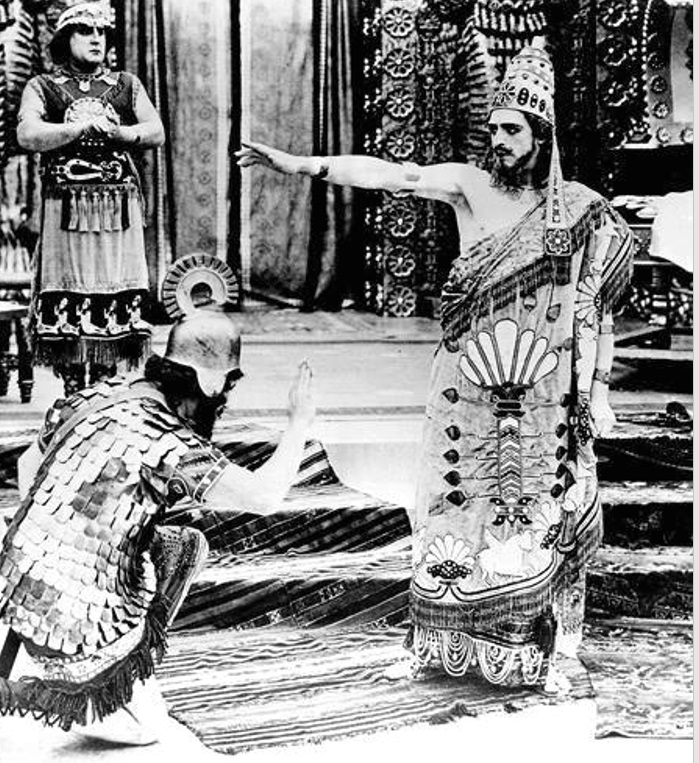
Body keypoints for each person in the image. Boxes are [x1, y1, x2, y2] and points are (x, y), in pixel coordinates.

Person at [236, 40, 633, 690]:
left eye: (512, 130)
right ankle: (446, 644)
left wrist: (599, 390)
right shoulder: (470, 186)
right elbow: (390, 175)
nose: (498, 141)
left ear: (542, 135)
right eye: (494, 128)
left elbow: (597, 306)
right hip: (465, 387)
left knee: (531, 516)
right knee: (455, 507)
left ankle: (533, 651)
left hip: (544, 397)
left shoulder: (581, 209)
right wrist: (298, 164)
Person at [0, 306, 315, 744]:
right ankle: (85, 689)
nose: (225, 401)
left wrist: (58, 536)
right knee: (147, 728)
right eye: (227, 387)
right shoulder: (174, 441)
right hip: (72, 621)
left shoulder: (95, 395)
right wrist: (299, 422)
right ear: (210, 383)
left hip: (19, 586)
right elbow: (264, 496)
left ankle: (102, 663)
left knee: (179, 542)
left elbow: (26, 468)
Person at [16, 1, 165, 396]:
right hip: (66, 210)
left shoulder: (126, 84)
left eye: (101, 32)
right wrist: (78, 129)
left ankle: (105, 397)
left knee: (114, 299)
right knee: (68, 300)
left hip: (117, 212)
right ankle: (72, 398)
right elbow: (27, 134)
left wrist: (121, 134)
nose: (96, 39)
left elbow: (155, 131)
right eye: (85, 31)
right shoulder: (42, 86)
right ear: (66, 39)